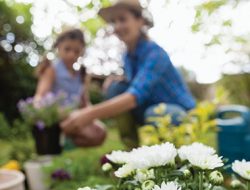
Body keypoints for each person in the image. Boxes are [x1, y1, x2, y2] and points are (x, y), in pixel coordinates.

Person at [61, 0, 195, 147]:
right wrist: (115, 79)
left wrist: (88, 114)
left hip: (178, 113)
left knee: (156, 112)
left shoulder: (155, 53)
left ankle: (172, 159)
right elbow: (135, 83)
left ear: (140, 21)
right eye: (114, 21)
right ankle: (132, 151)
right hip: (148, 109)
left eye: (123, 19)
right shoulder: (127, 56)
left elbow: (134, 96)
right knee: (115, 88)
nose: (117, 26)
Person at [34, 28, 106, 147]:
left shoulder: (82, 74)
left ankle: (66, 140)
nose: (71, 54)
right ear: (58, 48)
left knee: (100, 132)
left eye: (76, 51)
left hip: (76, 116)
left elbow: (85, 103)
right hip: (56, 116)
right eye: (67, 49)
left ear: (82, 51)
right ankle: (60, 140)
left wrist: (92, 117)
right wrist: (41, 111)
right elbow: (40, 96)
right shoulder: (52, 69)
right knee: (91, 133)